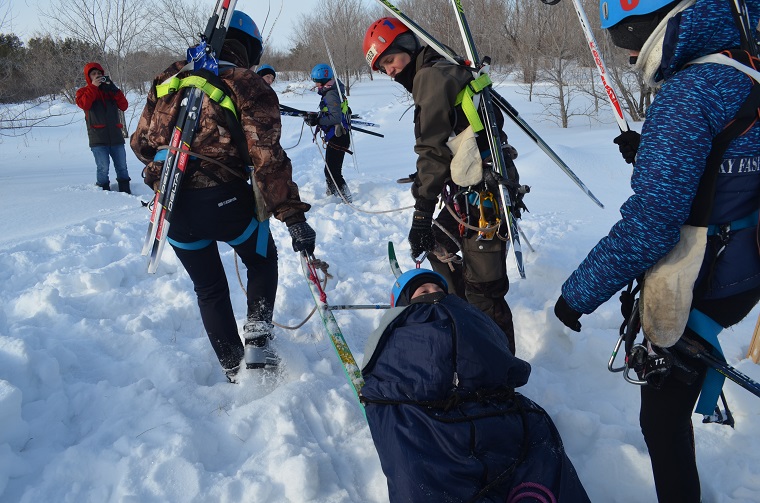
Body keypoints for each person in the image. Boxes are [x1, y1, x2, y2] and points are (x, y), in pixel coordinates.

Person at [554, 1, 760, 501]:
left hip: (704, 279)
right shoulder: (746, 66)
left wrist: (577, 294)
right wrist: (654, 151)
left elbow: (651, 226)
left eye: (627, 41)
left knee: (662, 421)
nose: (628, 57)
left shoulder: (688, 94)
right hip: (747, 264)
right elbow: (725, 169)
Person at [131, 10, 317, 382]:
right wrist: (293, 217)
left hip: (172, 207)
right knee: (262, 260)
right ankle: (259, 342)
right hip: (226, 202)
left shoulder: (170, 76)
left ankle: (233, 368)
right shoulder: (245, 82)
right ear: (248, 47)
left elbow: (140, 145)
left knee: (209, 288)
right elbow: (268, 159)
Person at [362, 17, 524, 354]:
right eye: (383, 67)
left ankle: (499, 372)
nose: (390, 71)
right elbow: (453, 139)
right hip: (470, 187)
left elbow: (432, 151)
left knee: (485, 292)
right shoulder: (443, 68)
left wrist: (421, 212)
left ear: (407, 46)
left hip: (485, 198)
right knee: (438, 244)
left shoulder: (432, 77)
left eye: (390, 60)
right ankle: (461, 323)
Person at [361, 269, 590, 503]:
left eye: (439, 290)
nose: (434, 295)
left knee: (537, 443)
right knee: (418, 468)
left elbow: (499, 354)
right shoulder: (400, 329)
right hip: (429, 420)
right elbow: (387, 372)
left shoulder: (466, 315)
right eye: (424, 291)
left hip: (489, 405)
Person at [75, 62, 132, 193]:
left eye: (99, 74)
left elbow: (124, 106)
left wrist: (114, 89)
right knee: (103, 168)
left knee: (122, 167)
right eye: (93, 74)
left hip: (116, 136)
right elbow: (85, 104)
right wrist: (93, 87)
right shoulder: (83, 92)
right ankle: (102, 193)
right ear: (88, 77)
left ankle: (126, 191)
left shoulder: (110, 91)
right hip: (97, 138)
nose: (97, 76)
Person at [304, 63, 353, 203]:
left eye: (317, 82)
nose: (316, 85)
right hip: (337, 136)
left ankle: (346, 198)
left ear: (324, 80)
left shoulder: (331, 94)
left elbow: (335, 117)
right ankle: (332, 194)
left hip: (339, 137)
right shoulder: (333, 89)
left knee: (333, 172)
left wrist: (318, 120)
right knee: (330, 170)